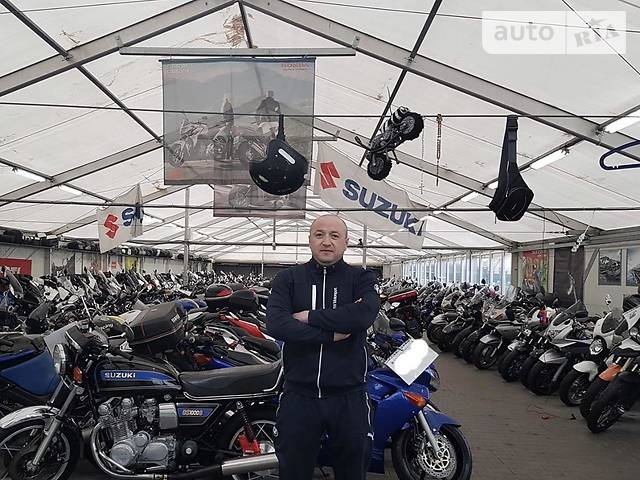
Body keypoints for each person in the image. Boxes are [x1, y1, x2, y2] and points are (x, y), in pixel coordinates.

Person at [266, 215, 379, 480]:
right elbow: (277, 324)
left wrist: (309, 316)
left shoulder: (361, 278)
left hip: (349, 396)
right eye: (319, 235)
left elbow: (363, 315)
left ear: (346, 242)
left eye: (334, 236)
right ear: (309, 240)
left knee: (352, 472)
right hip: (299, 396)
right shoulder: (288, 279)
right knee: (292, 472)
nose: (326, 242)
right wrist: (331, 335)